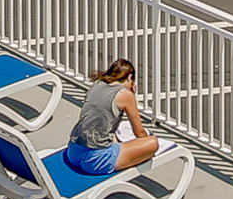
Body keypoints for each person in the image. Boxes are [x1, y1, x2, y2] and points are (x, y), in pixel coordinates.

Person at [54, 57, 161, 185]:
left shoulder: (98, 85)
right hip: (95, 160)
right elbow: (140, 133)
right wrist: (131, 96)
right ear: (129, 78)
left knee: (113, 134)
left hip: (74, 151)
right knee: (152, 143)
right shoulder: (125, 95)